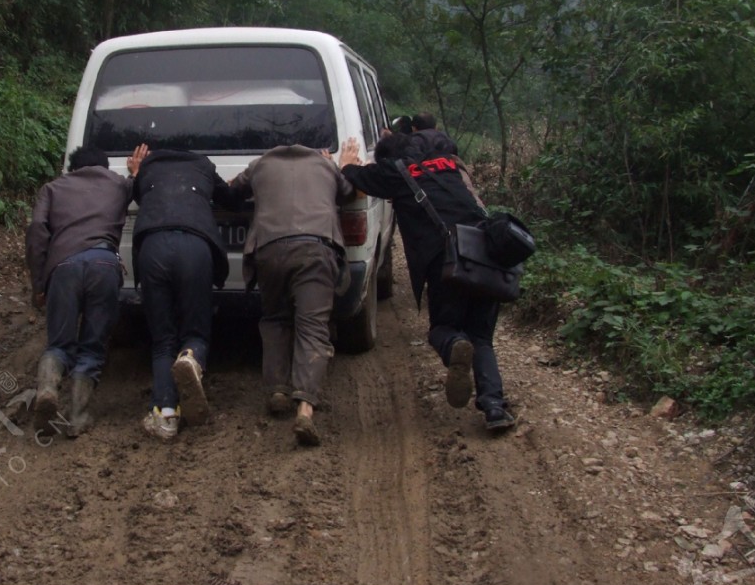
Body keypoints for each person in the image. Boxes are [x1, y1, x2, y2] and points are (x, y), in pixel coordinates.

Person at [339, 129, 514, 433]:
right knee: (482, 338)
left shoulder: (397, 174)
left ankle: (454, 345)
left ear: (388, 160)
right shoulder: (448, 163)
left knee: (443, 329)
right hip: (486, 254)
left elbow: (357, 176)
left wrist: (346, 163)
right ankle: (495, 408)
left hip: (447, 261)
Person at [227, 143, 356, 447]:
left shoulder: (260, 164)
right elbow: (349, 192)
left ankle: (277, 391)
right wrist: (342, 164)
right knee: (312, 327)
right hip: (314, 249)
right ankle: (306, 410)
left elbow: (232, 191)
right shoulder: (325, 165)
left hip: (269, 250)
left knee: (275, 318)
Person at [127, 146, 245, 441]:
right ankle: (192, 357)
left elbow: (142, 198)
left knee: (162, 339)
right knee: (195, 331)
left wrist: (136, 174)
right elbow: (230, 200)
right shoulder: (203, 166)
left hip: (152, 246)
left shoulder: (149, 170)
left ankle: (166, 416)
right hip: (195, 246)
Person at [24, 145, 143, 437]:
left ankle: (49, 389)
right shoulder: (117, 184)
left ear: (72, 168)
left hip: (63, 267)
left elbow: (37, 231)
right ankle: (77, 416)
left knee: (59, 344)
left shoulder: (52, 188)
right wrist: (134, 173)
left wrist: (38, 285)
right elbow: (137, 187)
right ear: (104, 167)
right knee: (93, 346)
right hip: (104, 264)